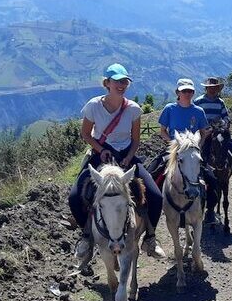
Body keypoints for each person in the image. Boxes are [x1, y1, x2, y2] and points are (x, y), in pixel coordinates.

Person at [68, 63, 166, 266]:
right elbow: (85, 133)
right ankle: (87, 236)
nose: (121, 85)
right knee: (75, 197)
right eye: (117, 81)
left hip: (125, 156)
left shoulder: (133, 109)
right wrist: (99, 149)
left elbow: (136, 140)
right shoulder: (93, 106)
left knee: (156, 196)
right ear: (107, 83)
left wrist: (130, 156)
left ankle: (150, 237)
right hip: (99, 155)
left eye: (124, 81)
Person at [158, 78, 219, 224]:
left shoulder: (198, 111)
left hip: (192, 153)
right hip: (173, 151)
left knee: (212, 179)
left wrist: (197, 146)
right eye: (184, 90)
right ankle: (154, 211)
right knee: (153, 172)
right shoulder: (169, 109)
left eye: (190, 91)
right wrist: (173, 144)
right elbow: (163, 131)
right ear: (178, 92)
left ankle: (209, 211)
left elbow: (203, 132)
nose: (187, 93)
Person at [194, 77, 232, 181]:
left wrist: (222, 125)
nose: (213, 90)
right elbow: (193, 118)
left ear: (217, 89)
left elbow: (226, 117)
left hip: (217, 131)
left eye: (215, 87)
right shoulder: (198, 102)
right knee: (200, 149)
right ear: (206, 88)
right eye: (210, 87)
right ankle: (198, 172)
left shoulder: (220, 102)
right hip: (204, 132)